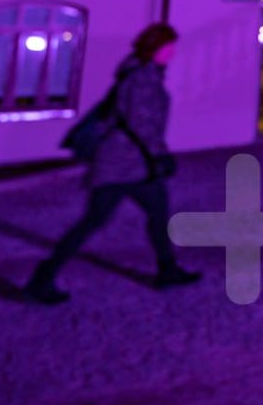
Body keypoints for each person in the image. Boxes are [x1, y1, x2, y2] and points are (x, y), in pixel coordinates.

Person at [24, 22, 201, 304]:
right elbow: (141, 124)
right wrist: (160, 155)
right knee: (94, 221)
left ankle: (167, 270)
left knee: (156, 214)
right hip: (122, 165)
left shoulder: (142, 73)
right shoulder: (142, 78)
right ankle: (42, 279)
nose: (173, 52)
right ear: (154, 48)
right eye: (169, 47)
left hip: (133, 164)